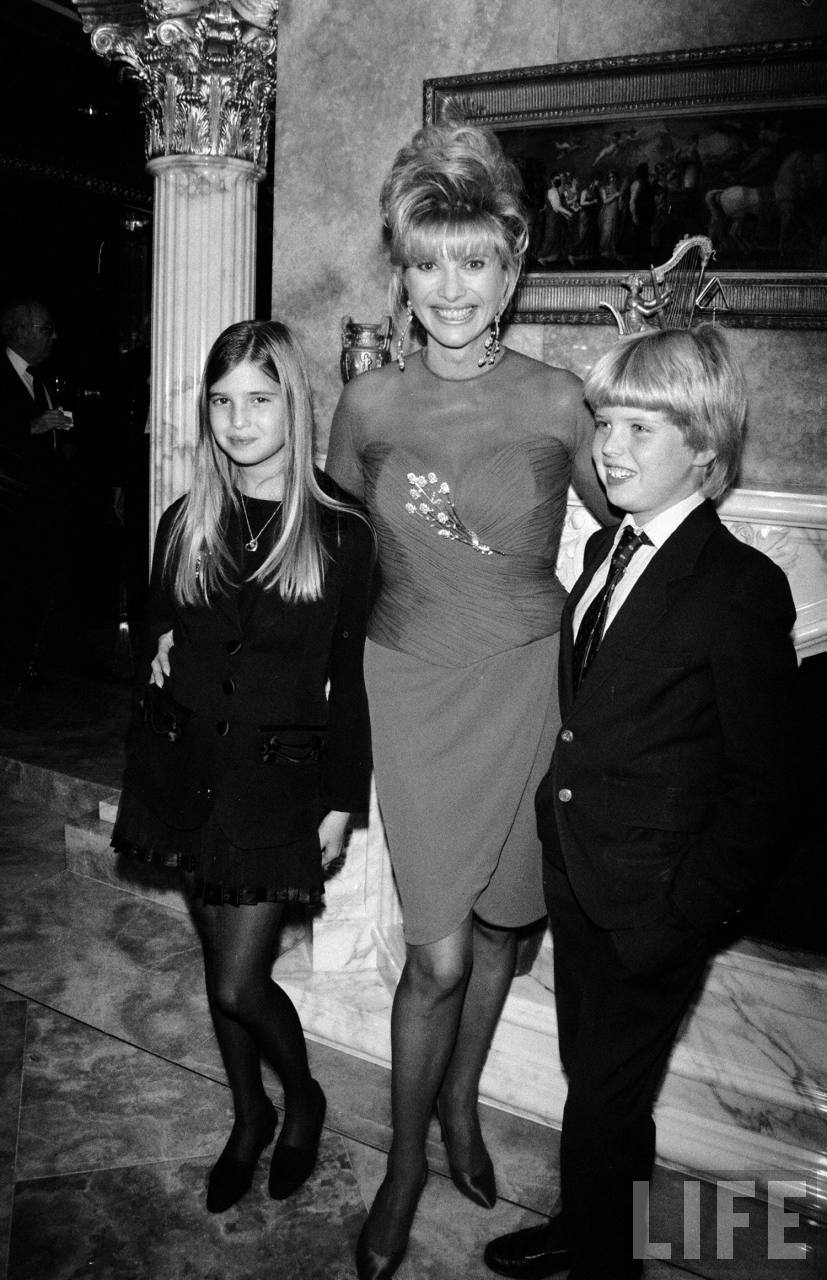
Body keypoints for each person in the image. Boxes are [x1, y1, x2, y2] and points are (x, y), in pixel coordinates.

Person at [325, 122, 611, 1280]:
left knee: (502, 927)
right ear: (401, 268)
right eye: (427, 261)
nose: (451, 288)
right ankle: (402, 1163)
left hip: (528, 684)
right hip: (412, 687)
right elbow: (331, 552)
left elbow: (625, 528)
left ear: (512, 263)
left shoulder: (558, 401)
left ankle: (458, 1103)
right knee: (435, 955)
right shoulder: (367, 404)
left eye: (474, 261)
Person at [484, 325, 799, 1280]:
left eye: (640, 429)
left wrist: (681, 917)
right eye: (605, 422)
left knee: (604, 1096)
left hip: (655, 903)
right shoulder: (606, 550)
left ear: (703, 448)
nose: (609, 448)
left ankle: (604, 1261)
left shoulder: (740, 588)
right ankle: (593, 1227)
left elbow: (764, 789)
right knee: (597, 1087)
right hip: (582, 876)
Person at [112, 319, 373, 1213]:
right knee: (220, 970)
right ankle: (247, 1117)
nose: (238, 420)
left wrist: (341, 800)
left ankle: (301, 1098)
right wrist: (159, 641)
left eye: (259, 399)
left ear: (292, 404)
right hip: (185, 771)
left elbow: (351, 678)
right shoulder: (186, 520)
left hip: (273, 782)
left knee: (237, 981)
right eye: (222, 401)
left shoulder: (340, 530)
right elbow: (155, 622)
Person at [0, 296, 75, 689]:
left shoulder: (43, 378)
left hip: (41, 509)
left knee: (35, 589)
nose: (54, 336)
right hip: (8, 506)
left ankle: (26, 664)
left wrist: (64, 443)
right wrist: (30, 428)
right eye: (46, 328)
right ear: (19, 331)